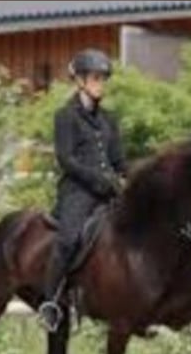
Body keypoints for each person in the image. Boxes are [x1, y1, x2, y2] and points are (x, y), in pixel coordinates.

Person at [38, 48, 126, 332]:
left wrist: (134, 177)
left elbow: (119, 161)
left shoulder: (109, 119)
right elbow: (66, 160)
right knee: (68, 239)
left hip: (109, 190)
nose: (100, 83)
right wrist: (99, 180)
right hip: (77, 191)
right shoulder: (65, 116)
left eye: (103, 78)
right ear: (80, 81)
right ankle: (50, 303)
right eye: (96, 78)